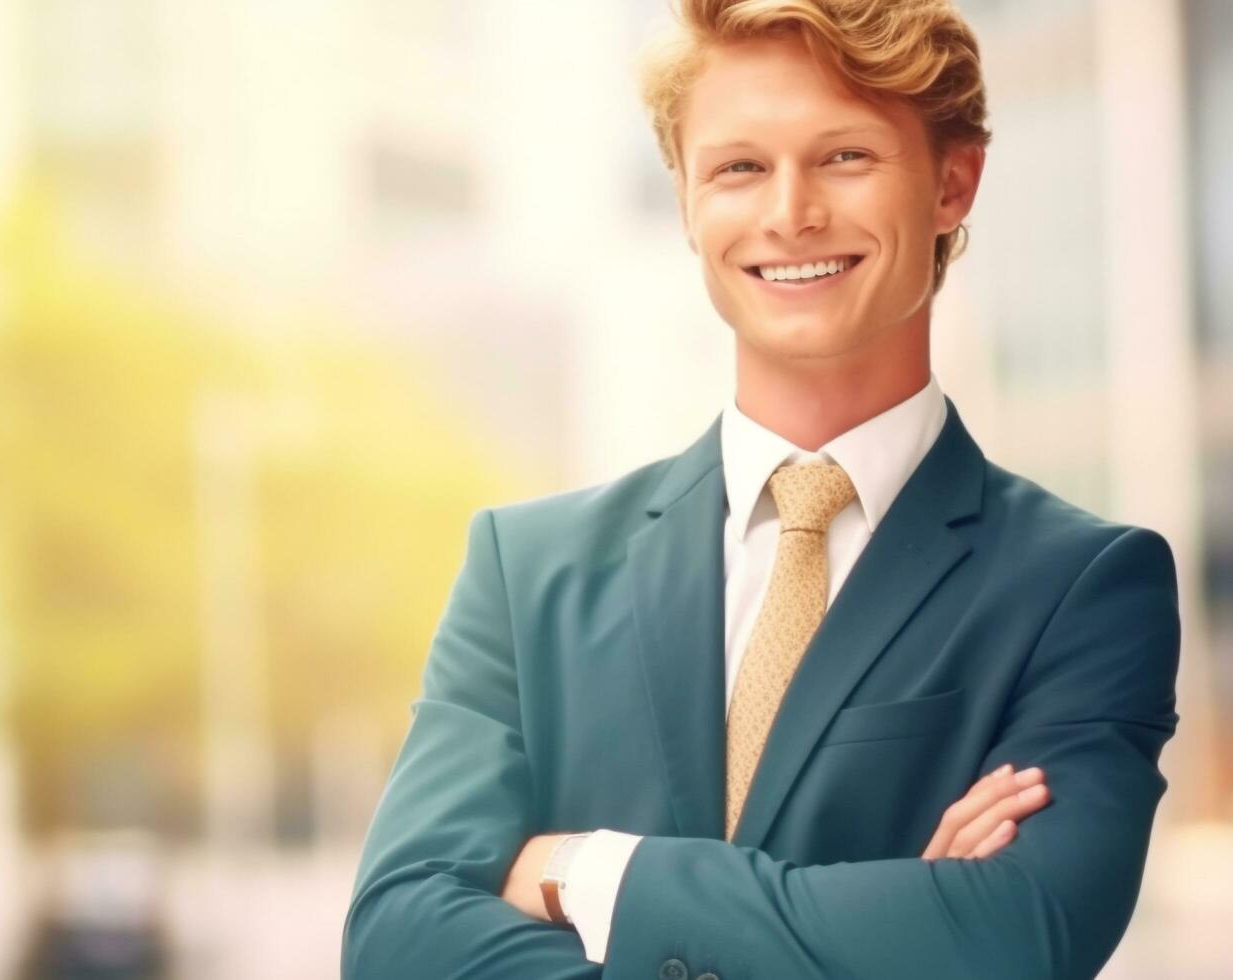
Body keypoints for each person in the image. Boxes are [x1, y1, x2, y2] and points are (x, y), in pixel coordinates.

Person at [342, 1, 1180, 977]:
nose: (789, 213)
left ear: (953, 182)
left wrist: (594, 873)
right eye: (738, 166)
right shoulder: (524, 573)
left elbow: (1009, 934)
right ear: (686, 200)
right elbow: (396, 937)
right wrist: (895, 918)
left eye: (843, 157)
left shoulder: (1081, 587)